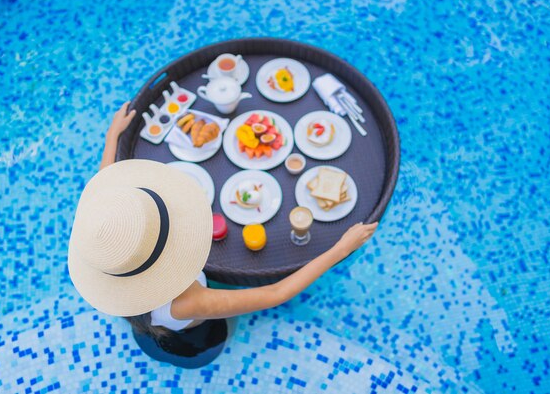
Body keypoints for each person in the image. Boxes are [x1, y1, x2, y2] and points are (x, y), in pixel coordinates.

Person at [68, 101, 378, 368]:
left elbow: (106, 184)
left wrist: (113, 136)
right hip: (187, 326)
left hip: (147, 317)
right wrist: (341, 248)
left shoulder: (107, 242)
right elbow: (275, 294)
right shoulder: (188, 304)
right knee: (202, 334)